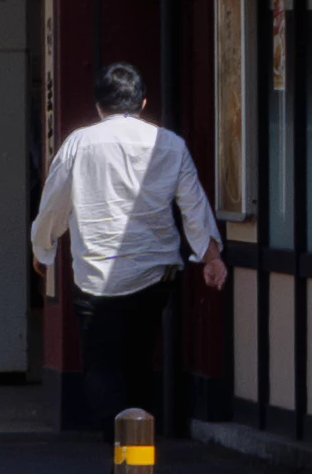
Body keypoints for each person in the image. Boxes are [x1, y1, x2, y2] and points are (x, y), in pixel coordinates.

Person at [27, 60, 224, 441]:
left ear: (99, 106)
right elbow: (193, 204)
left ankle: (121, 451)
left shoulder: (79, 144)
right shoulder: (170, 144)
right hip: (155, 275)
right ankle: (140, 452)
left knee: (102, 365)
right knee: (139, 359)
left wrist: (43, 248)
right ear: (143, 101)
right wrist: (210, 255)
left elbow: (54, 204)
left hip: (95, 277)